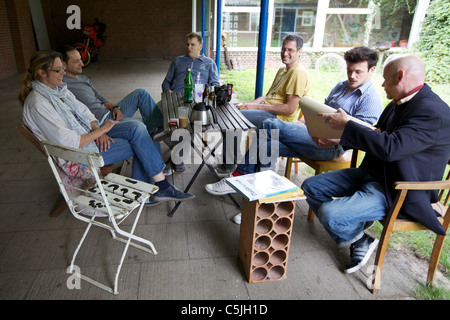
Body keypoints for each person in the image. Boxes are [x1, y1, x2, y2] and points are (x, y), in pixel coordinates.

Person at [301, 54, 450, 274]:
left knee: (331, 215)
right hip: (374, 173)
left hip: (397, 189)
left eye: (385, 78)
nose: (381, 84)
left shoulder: (433, 112)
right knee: (310, 187)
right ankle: (358, 238)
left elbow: (391, 148)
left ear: (400, 76)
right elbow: (377, 133)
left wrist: (348, 124)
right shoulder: (398, 103)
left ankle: (355, 230)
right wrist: (338, 138)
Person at [206, 46, 383, 224]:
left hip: (330, 147)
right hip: (309, 134)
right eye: (349, 70)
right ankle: (258, 207)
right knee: (267, 145)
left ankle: (238, 177)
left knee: (268, 125)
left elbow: (362, 138)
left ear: (372, 70)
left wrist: (331, 140)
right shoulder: (341, 86)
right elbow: (321, 111)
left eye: (358, 72)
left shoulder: (370, 100)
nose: (352, 76)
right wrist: (303, 122)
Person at [19, 50, 195, 206]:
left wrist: (97, 129)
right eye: (58, 70)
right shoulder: (38, 104)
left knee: (138, 128)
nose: (63, 73)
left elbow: (85, 112)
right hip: (78, 156)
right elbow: (70, 142)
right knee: (142, 139)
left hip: (90, 135)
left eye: (62, 68)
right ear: (41, 73)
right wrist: (100, 132)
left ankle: (158, 185)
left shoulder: (59, 91)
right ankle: (155, 189)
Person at [237, 33, 311, 129]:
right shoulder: (281, 70)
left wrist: (256, 107)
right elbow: (266, 96)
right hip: (265, 111)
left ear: (299, 52)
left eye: (290, 50)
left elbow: (290, 109)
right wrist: (249, 105)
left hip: (277, 119)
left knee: (235, 116)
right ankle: (240, 142)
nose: (285, 53)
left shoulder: (298, 73)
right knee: (232, 109)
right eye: (283, 49)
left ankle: (230, 143)